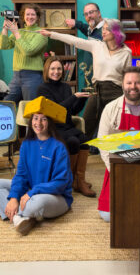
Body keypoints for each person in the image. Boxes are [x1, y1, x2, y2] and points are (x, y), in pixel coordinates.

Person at [0, 98, 73, 236]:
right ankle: (18, 218)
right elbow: (21, 175)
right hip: (31, 191)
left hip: (56, 197)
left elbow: (61, 184)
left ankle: (3, 209)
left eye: (43, 119)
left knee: (36, 203)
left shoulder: (59, 147)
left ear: (50, 122)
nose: (38, 123)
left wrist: (33, 192)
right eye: (35, 118)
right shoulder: (26, 144)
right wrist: (14, 198)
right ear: (31, 120)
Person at [40, 19, 132, 142]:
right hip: (97, 90)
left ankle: (115, 157)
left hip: (116, 91)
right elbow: (74, 41)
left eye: (106, 29)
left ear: (115, 32)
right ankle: (83, 154)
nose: (103, 32)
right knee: (87, 126)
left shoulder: (126, 52)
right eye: (103, 29)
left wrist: (128, 98)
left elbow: (128, 77)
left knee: (115, 128)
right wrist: (51, 34)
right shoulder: (97, 46)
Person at [96, 67, 140, 222]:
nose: (133, 87)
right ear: (122, 84)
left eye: (137, 83)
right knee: (108, 216)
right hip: (118, 168)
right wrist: (114, 169)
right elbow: (102, 143)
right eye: (129, 83)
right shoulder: (110, 109)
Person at [36, 56, 95, 197]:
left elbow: (72, 110)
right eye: (53, 69)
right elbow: (55, 109)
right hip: (52, 128)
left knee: (85, 139)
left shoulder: (65, 87)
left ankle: (79, 180)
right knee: (73, 142)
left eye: (59, 69)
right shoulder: (42, 89)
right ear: (47, 70)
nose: (56, 72)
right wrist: (74, 96)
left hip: (67, 126)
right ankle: (69, 180)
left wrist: (82, 99)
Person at [1, 4, 48, 103]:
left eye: (33, 15)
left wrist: (16, 32)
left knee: (31, 109)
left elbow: (29, 51)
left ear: (38, 17)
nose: (30, 17)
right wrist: (5, 28)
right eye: (27, 14)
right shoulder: (21, 32)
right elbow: (4, 45)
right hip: (16, 76)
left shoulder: (41, 34)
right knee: (6, 104)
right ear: (23, 17)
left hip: (33, 77)